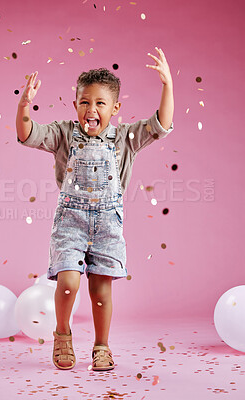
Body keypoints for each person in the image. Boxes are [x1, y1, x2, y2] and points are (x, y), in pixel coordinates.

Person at [16, 47, 174, 371]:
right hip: (71, 223)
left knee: (101, 291)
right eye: (85, 102)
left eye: (100, 103)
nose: (91, 109)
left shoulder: (126, 138)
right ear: (75, 104)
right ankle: (62, 333)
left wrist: (167, 86)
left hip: (107, 227)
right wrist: (23, 106)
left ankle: (102, 346)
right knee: (69, 282)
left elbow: (160, 124)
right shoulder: (62, 134)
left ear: (115, 107)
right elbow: (28, 134)